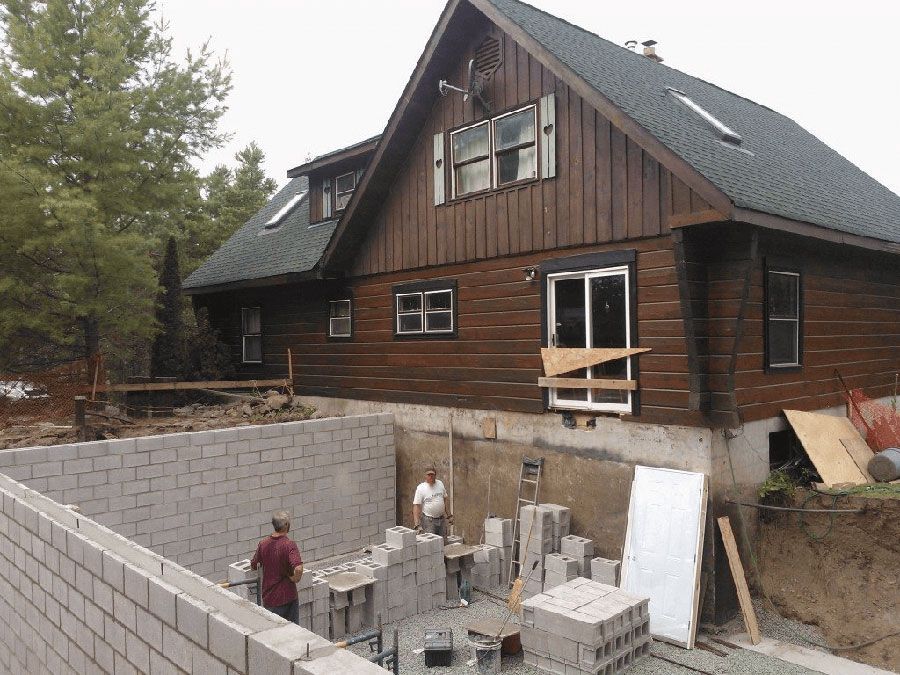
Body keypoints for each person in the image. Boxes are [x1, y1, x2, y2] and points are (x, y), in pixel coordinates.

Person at [250, 510, 304, 623]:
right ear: (286, 525)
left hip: (270, 598)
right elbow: (298, 568)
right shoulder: (289, 545)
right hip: (288, 597)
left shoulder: (263, 544)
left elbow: (254, 565)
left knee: (274, 635)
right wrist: (295, 578)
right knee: (292, 633)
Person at [412, 466, 453, 540]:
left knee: (443, 542)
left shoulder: (440, 484)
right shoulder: (421, 488)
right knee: (431, 544)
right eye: (428, 475)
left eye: (432, 474)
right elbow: (416, 506)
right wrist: (417, 524)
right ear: (425, 476)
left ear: (435, 475)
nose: (430, 476)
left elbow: (445, 500)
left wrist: (449, 516)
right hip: (429, 521)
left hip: (441, 520)